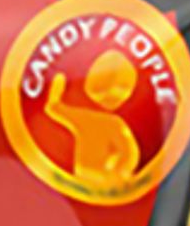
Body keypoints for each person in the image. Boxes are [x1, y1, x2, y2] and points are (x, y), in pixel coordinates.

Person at [44, 48, 146, 184]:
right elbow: (54, 108)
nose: (109, 94)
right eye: (101, 87)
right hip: (85, 177)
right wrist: (56, 90)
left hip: (102, 178)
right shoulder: (90, 120)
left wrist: (118, 169)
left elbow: (128, 154)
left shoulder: (109, 123)